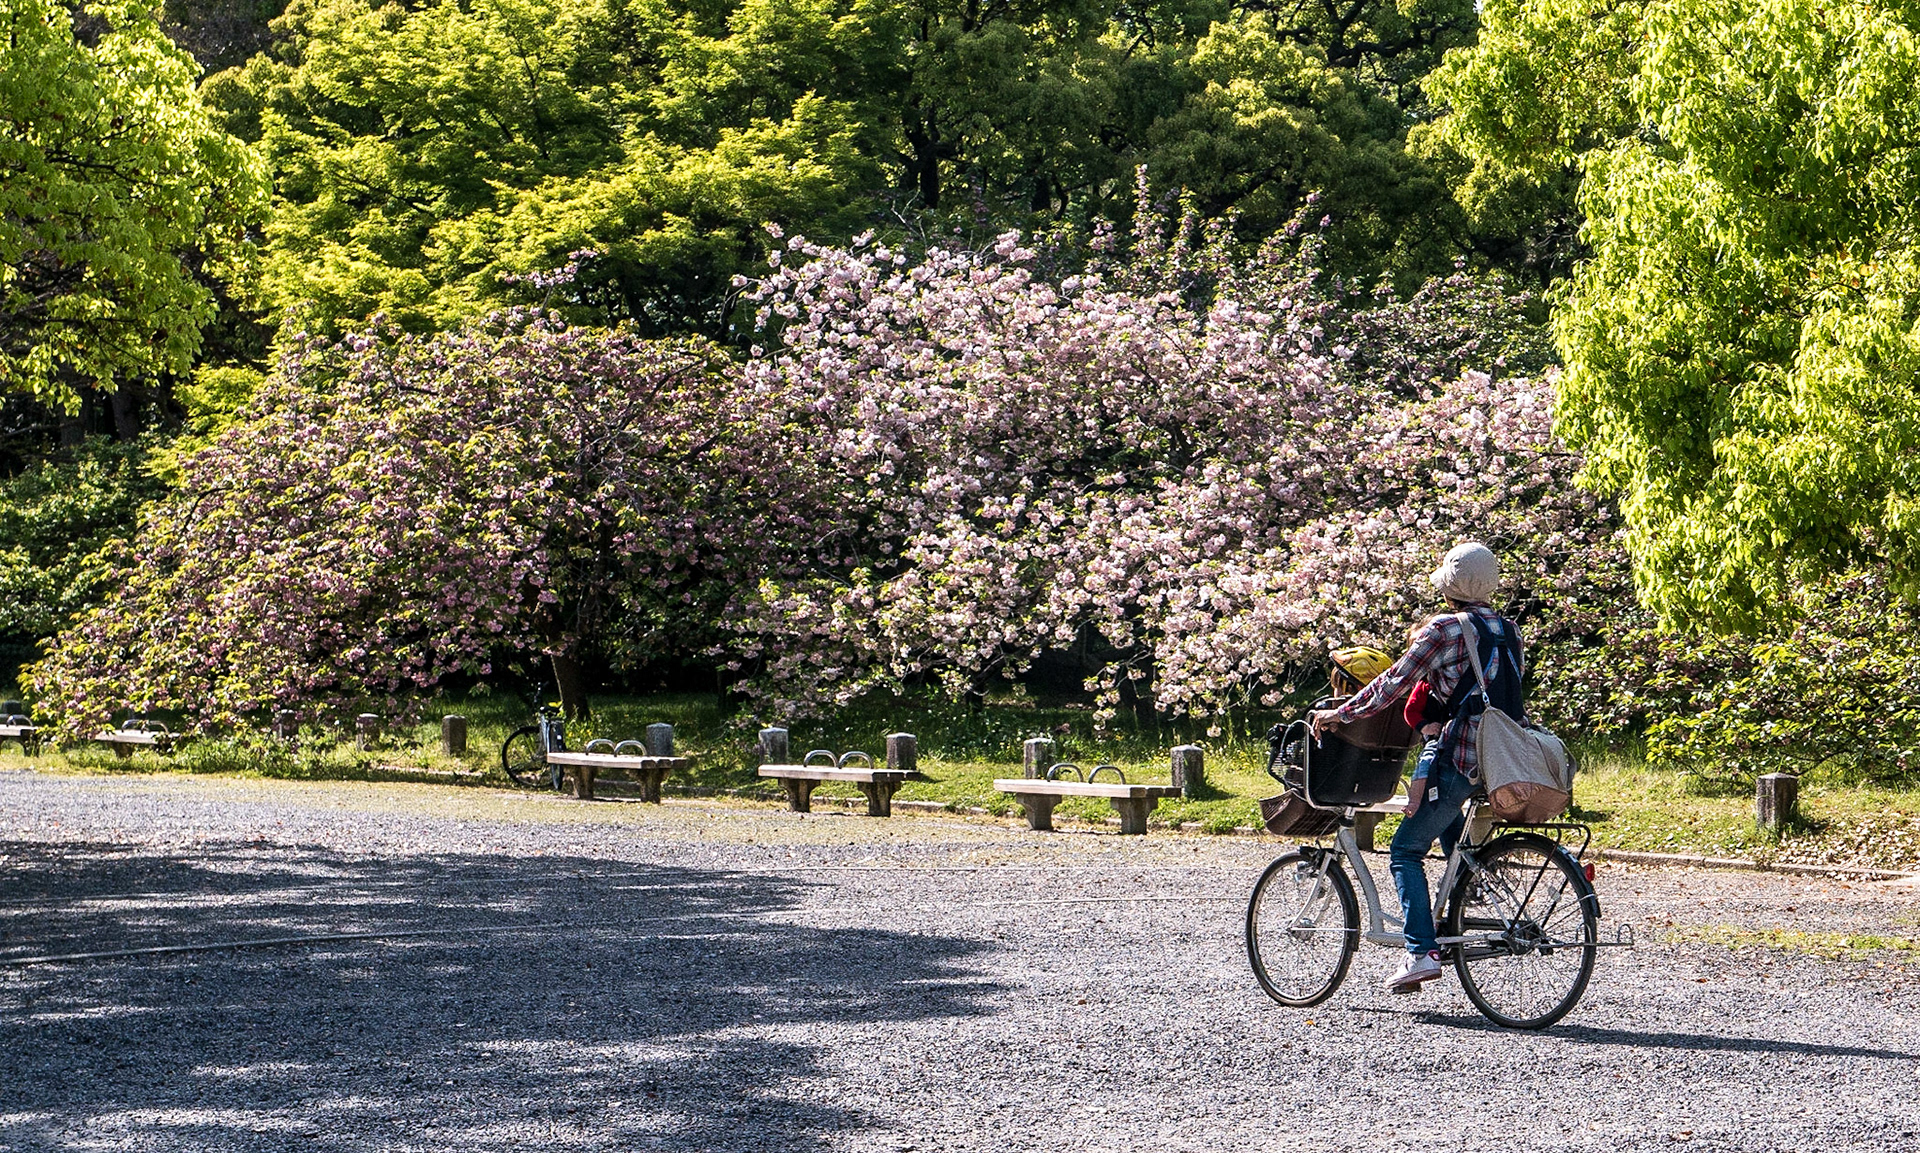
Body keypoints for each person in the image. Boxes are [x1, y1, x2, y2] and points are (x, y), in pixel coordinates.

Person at [1308, 541, 1527, 993]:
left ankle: (1421, 952)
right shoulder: (1509, 630)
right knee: (1448, 827)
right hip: (1500, 758)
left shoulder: (1443, 630)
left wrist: (1341, 713)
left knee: (1405, 849)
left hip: (1458, 755)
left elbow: (1393, 682)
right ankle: (1463, 899)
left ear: (1448, 587)